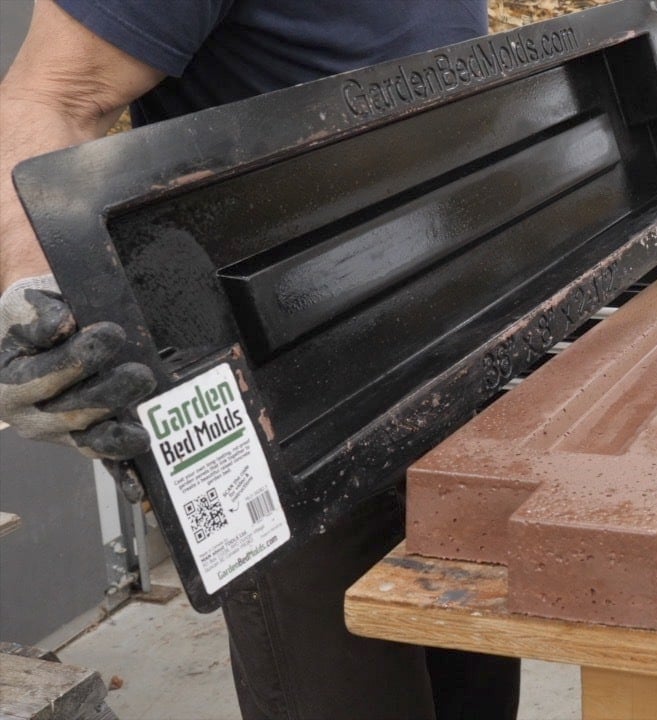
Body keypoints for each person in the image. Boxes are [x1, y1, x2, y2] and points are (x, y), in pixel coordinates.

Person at [0, 1, 521, 718]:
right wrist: (35, 301)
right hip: (285, 427)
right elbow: (49, 96)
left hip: (453, 377)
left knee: (477, 697)